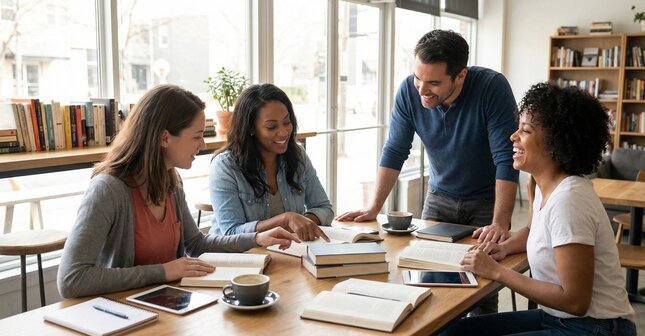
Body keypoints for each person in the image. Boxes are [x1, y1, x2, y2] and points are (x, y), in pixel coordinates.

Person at [436, 83, 636, 336]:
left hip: (596, 335)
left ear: (556, 143)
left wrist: (497, 271)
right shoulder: (542, 185)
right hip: (561, 321)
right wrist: (504, 248)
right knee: (452, 334)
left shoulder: (570, 200)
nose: (513, 136)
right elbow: (533, 230)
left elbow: (575, 300)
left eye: (526, 131)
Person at [57, 84, 298, 298]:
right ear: (164, 138)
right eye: (196, 136)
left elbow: (196, 244)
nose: (203, 145)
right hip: (118, 314)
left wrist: (256, 238)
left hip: (163, 304)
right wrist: (163, 271)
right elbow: (71, 279)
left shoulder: (171, 182)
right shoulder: (108, 189)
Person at [337, 29, 518, 244]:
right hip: (439, 198)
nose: (422, 89)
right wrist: (373, 208)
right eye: (417, 77)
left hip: (487, 202)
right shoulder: (408, 91)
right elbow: (395, 150)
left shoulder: (492, 88)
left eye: (434, 83)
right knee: (423, 265)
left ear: (460, 76)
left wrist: (499, 222)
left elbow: (506, 157)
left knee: (479, 270)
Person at [208, 83, 333, 241]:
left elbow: (324, 208)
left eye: (287, 122)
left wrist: (303, 223)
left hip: (286, 250)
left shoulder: (298, 155)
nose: (283, 132)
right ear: (250, 128)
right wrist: (286, 220)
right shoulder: (225, 166)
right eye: (271, 126)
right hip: (240, 257)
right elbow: (231, 232)